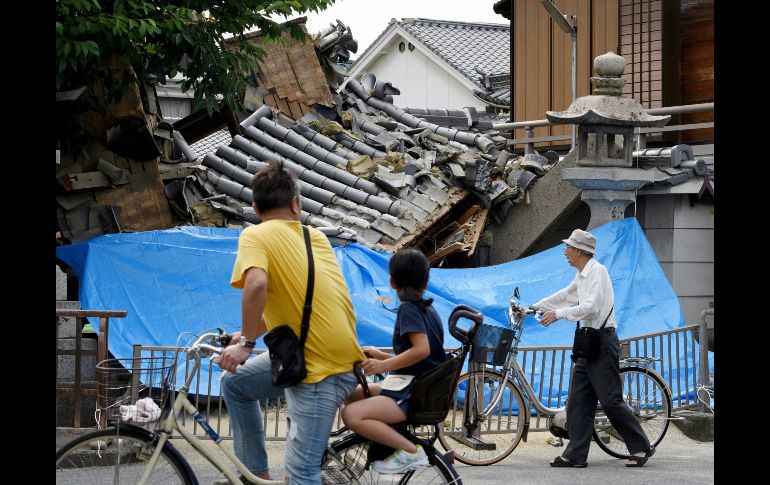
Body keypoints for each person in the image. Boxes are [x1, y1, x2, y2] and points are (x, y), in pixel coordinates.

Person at [216, 161, 365, 484]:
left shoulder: (254, 235)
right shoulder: (316, 238)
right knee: (235, 384)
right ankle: (255, 474)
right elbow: (297, 303)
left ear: (256, 209)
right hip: (331, 353)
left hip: (317, 366)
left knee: (301, 471)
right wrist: (247, 332)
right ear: (296, 203)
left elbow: (257, 286)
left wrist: (245, 344)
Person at [533, 228, 655, 468]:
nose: (564, 251)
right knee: (578, 400)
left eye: (568, 247)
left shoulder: (598, 272)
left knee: (610, 400)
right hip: (588, 342)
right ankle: (576, 454)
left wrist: (557, 315)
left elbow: (591, 307)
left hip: (602, 341)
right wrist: (534, 306)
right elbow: (566, 295)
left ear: (579, 251)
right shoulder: (582, 275)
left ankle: (641, 447)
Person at [341, 248, 446, 474]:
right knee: (350, 393)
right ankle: (381, 440)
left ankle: (409, 451)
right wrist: (382, 356)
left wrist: (382, 365)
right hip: (414, 388)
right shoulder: (428, 309)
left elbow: (421, 350)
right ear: (425, 282)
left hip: (410, 393)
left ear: (392, 281)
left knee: (350, 414)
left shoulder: (409, 308)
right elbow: (420, 358)